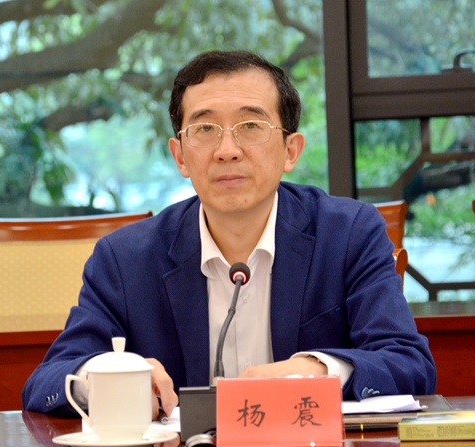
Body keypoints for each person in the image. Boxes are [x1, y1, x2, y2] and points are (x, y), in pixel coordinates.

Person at [22, 50, 436, 418]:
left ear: (291, 150)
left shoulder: (348, 234)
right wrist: (108, 377)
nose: (227, 150)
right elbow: (48, 381)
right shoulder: (125, 258)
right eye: (205, 129)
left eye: (250, 125)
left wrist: (315, 370)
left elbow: (409, 364)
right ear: (180, 156)